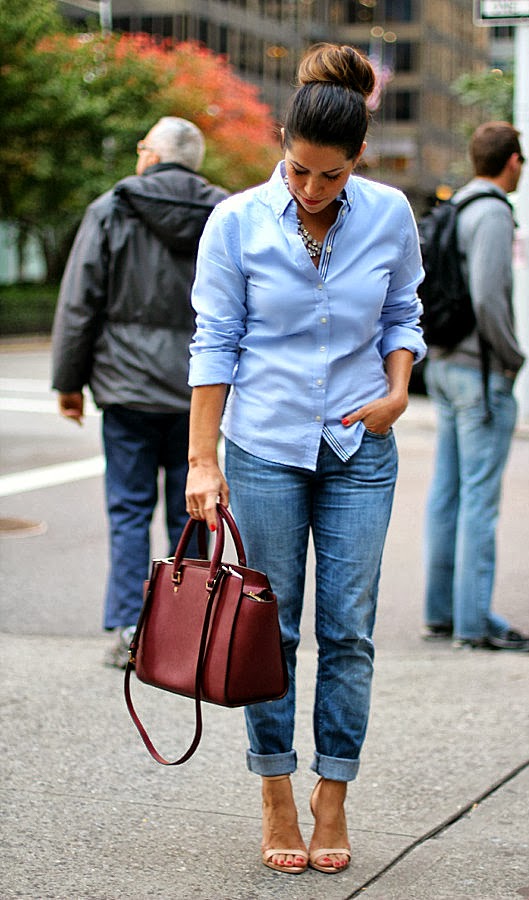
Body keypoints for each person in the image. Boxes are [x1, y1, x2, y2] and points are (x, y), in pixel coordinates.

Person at [185, 43, 425, 876]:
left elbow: (402, 312)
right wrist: (202, 460)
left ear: (357, 159)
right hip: (265, 446)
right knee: (271, 628)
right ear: (282, 145)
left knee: (348, 631)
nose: (311, 190)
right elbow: (215, 341)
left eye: (330, 175)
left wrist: (398, 390)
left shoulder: (390, 214)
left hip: (361, 444)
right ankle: (275, 790)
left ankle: (334, 794)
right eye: (297, 171)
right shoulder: (236, 222)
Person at [51, 116, 228, 668]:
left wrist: (69, 382)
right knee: (192, 511)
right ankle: (186, 634)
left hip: (126, 387)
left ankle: (132, 630)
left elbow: (80, 302)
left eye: (141, 146)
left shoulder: (111, 208)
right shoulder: (226, 214)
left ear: (152, 155)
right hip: (198, 391)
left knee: (129, 509)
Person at [422, 121, 529, 653]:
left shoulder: (456, 206)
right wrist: (515, 358)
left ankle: (442, 612)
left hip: (446, 364)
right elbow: (489, 297)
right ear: (512, 161)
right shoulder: (492, 212)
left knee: (447, 493)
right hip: (479, 372)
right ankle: (474, 623)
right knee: (478, 501)